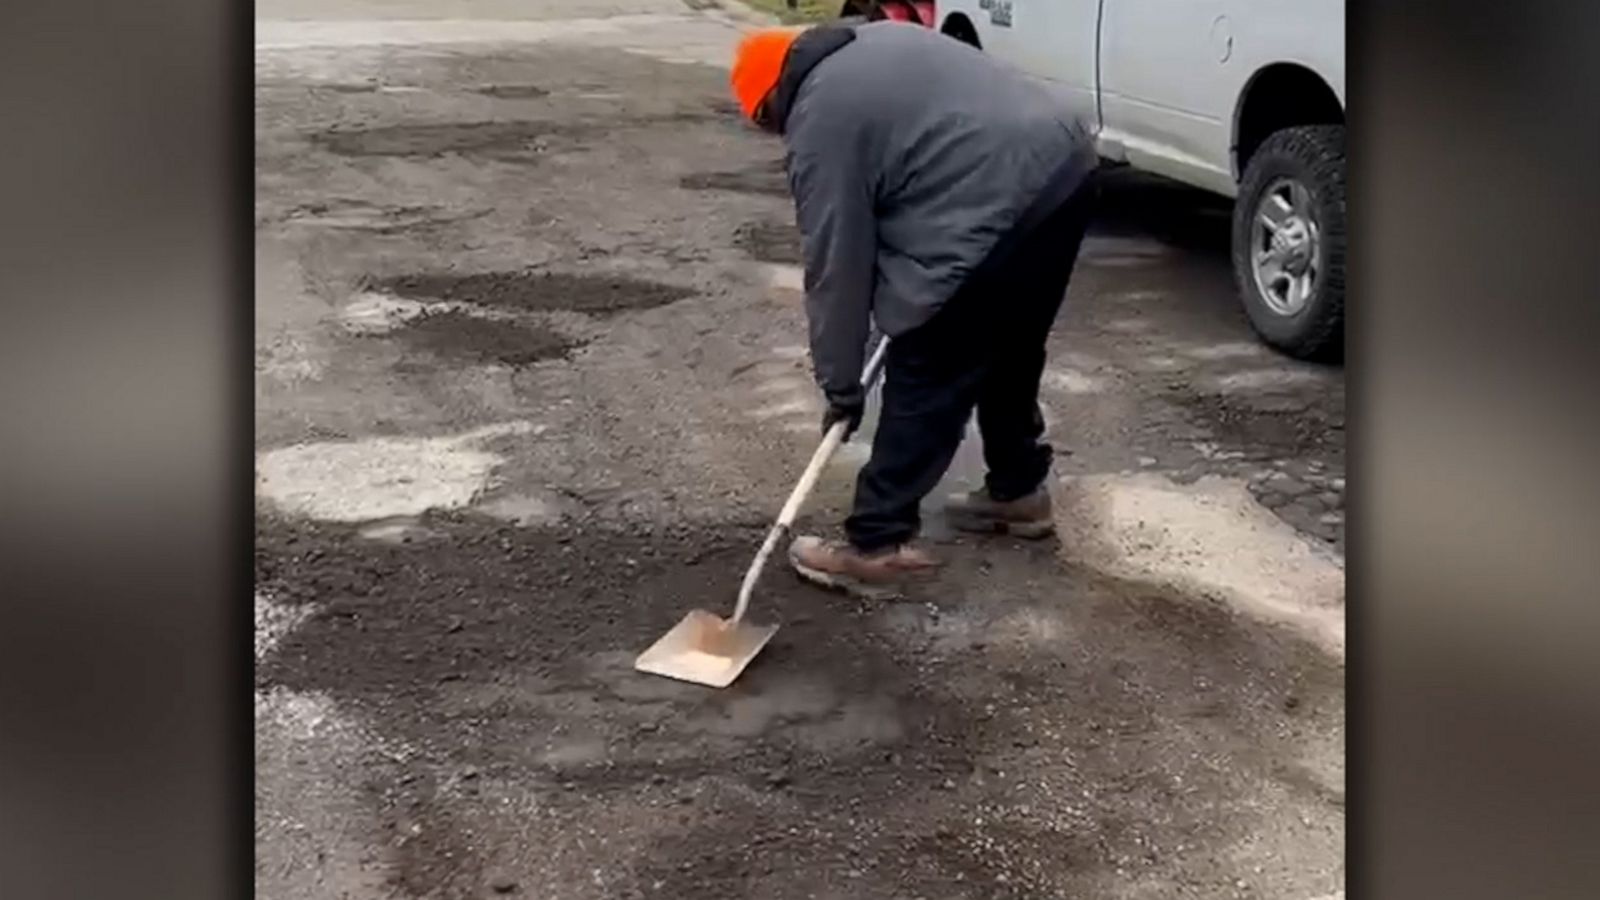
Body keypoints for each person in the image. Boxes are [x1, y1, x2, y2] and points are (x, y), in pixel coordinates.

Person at [730, 20, 1098, 596]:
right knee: (1012, 341)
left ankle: (875, 542)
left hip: (991, 193)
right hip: (1065, 165)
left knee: (931, 354)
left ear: (772, 101)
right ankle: (1018, 489)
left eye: (766, 123)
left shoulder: (820, 117)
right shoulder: (877, 38)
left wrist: (841, 385)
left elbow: (837, 263)